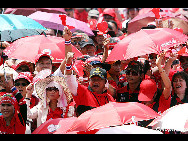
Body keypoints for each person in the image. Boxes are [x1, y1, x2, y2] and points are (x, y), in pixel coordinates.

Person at [65, 51, 115, 116]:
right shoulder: (83, 92)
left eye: (99, 79)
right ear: (89, 80)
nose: (96, 82)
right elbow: (70, 81)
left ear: (105, 82)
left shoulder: (109, 98)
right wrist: (68, 65)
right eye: (93, 79)